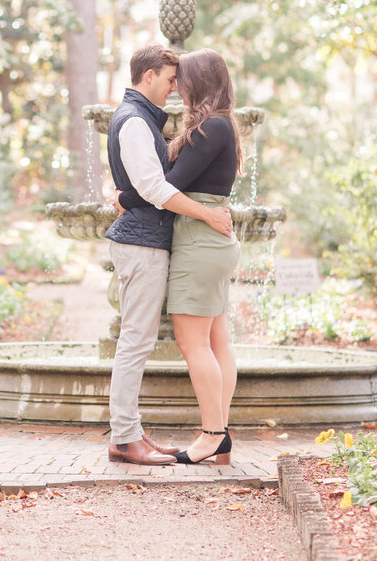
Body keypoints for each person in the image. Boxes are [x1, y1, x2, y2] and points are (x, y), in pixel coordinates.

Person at [103, 44, 234, 466]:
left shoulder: (202, 127)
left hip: (191, 241)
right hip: (157, 241)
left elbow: (159, 187)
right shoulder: (138, 122)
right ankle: (129, 436)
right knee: (144, 341)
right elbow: (158, 189)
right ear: (149, 77)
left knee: (195, 342)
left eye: (182, 80)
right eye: (169, 78)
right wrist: (206, 215)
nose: (176, 87)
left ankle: (210, 434)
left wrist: (122, 194)